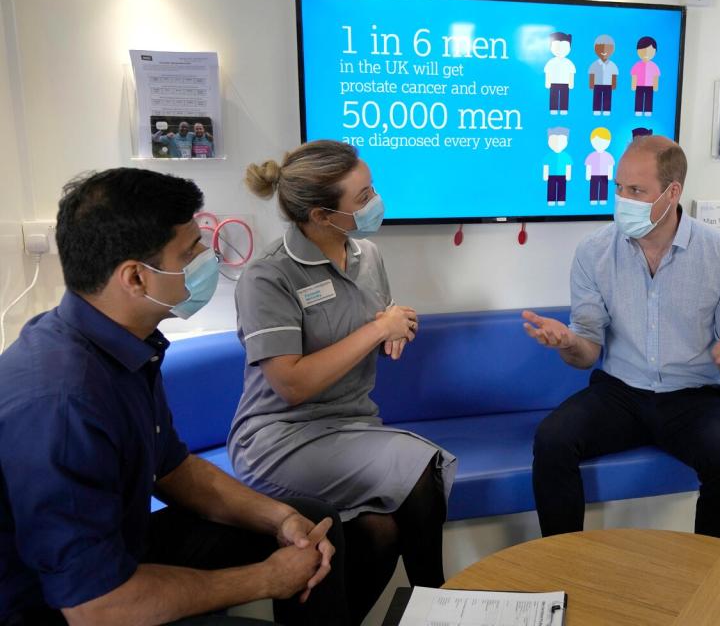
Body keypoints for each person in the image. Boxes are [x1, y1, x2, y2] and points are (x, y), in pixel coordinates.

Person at [0, 168, 350, 625]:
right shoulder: (63, 405)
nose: (207, 257)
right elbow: (96, 608)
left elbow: (173, 469)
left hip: (116, 554)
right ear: (135, 278)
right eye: (191, 251)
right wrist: (266, 578)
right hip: (62, 609)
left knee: (310, 523)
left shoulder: (124, 343)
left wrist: (278, 518)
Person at [231, 140, 457, 623]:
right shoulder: (268, 276)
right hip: (280, 437)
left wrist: (396, 330)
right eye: (363, 197)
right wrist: (378, 328)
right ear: (321, 215)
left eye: (372, 188)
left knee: (381, 532)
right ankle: (441, 609)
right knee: (420, 468)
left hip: (353, 427)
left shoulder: (367, 255)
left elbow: (370, 329)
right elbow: (289, 384)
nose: (375, 202)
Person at [523, 135, 720, 544]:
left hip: (697, 396)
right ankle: (561, 567)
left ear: (672, 193)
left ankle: (716, 583)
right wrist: (567, 343)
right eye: (619, 188)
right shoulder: (593, 252)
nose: (623, 200)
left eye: (636, 190)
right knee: (552, 440)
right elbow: (587, 354)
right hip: (621, 394)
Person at [544, 32, 575, 116]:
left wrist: (571, 83)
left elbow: (571, 73)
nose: (560, 50)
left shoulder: (569, 63)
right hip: (553, 83)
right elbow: (548, 72)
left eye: (564, 47)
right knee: (553, 96)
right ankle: (553, 109)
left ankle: (564, 109)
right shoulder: (551, 62)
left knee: (564, 96)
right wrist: (547, 82)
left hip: (565, 83)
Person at [587, 34, 618, 116]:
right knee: (597, 98)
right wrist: (591, 84)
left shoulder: (612, 65)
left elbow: (614, 75)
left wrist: (614, 85)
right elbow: (592, 74)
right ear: (595, 49)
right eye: (600, 47)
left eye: (607, 48)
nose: (604, 50)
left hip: (608, 85)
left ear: (612, 50)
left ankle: (606, 110)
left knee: (607, 98)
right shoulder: (594, 64)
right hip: (597, 85)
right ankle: (596, 110)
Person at [584, 127, 615, 206]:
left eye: (604, 142)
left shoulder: (608, 156)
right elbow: (588, 166)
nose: (600, 144)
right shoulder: (591, 155)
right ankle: (593, 199)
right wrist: (588, 175)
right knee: (593, 187)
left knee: (604, 188)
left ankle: (603, 199)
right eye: (597, 141)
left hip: (605, 175)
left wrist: (610, 175)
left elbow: (610, 166)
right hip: (593, 175)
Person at [630, 37, 660, 117]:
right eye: (643, 51)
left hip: (650, 86)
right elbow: (634, 76)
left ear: (655, 52)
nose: (646, 54)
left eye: (650, 51)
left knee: (649, 99)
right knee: (639, 98)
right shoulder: (637, 65)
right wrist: (633, 85)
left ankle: (648, 110)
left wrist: (655, 86)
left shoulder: (654, 66)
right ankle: (638, 110)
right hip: (639, 86)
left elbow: (656, 77)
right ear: (638, 51)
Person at [543, 127, 572, 207]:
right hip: (551, 175)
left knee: (562, 188)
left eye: (561, 141)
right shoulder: (548, 156)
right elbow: (546, 166)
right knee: (551, 188)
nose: (557, 143)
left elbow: (568, 166)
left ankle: (561, 200)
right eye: (553, 141)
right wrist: (545, 175)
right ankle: (551, 200)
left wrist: (568, 175)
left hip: (563, 175)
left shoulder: (566, 156)